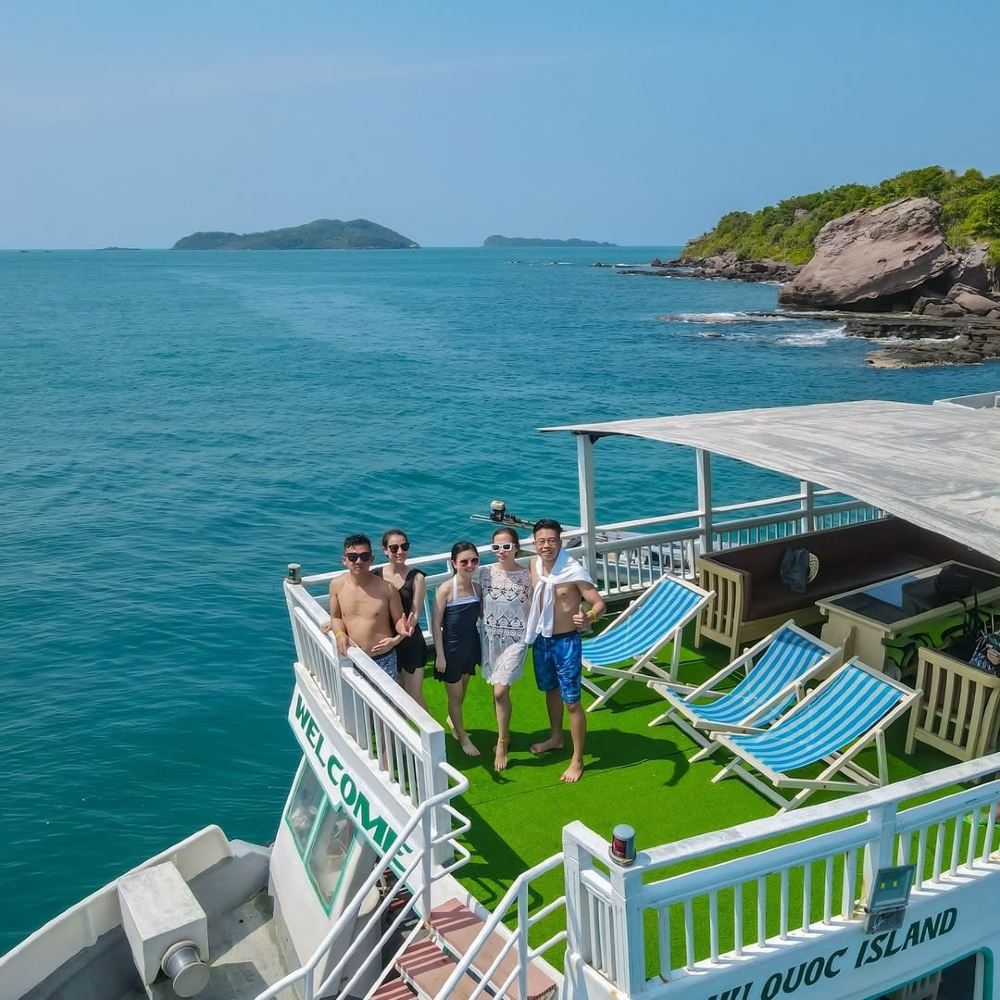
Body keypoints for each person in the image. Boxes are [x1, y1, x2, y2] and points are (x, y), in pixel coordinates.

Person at [525, 518, 606, 783]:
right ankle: (556, 738)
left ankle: (578, 759)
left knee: (571, 701)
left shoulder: (573, 570)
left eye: (551, 541)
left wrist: (589, 617)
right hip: (542, 640)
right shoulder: (534, 565)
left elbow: (598, 603)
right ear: (535, 544)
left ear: (560, 543)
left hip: (566, 642)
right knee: (550, 690)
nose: (546, 546)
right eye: (541, 541)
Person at [478, 527, 533, 770]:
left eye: (506, 547)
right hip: (490, 637)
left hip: (516, 640)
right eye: (496, 547)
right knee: (496, 690)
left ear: (516, 548)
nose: (501, 551)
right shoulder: (484, 573)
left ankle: (502, 743)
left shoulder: (528, 575)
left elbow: (537, 604)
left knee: (500, 691)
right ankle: (504, 733)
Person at [322, 534, 412, 680]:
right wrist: (339, 634)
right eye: (353, 557)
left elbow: (398, 619)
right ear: (344, 560)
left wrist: (403, 627)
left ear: (371, 559)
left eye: (364, 556)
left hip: (383, 658)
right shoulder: (336, 585)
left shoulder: (387, 588)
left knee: (385, 695)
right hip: (351, 657)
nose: (359, 561)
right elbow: (336, 617)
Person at [432, 541, 482, 756]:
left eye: (474, 560)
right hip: (451, 649)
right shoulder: (446, 589)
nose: (469, 565)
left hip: (470, 646)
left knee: (462, 693)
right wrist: (440, 655)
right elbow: (435, 624)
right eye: (464, 562)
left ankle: (453, 720)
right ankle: (462, 737)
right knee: (455, 696)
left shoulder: (477, 588)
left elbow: (484, 615)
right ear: (454, 563)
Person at [373, 529, 428, 707]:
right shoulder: (375, 576)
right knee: (394, 697)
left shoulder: (417, 577)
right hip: (386, 643)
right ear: (385, 550)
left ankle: (430, 727)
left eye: (404, 546)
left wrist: (395, 640)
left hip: (410, 642)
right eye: (394, 547)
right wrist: (336, 619)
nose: (400, 551)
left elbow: (414, 616)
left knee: (414, 696)